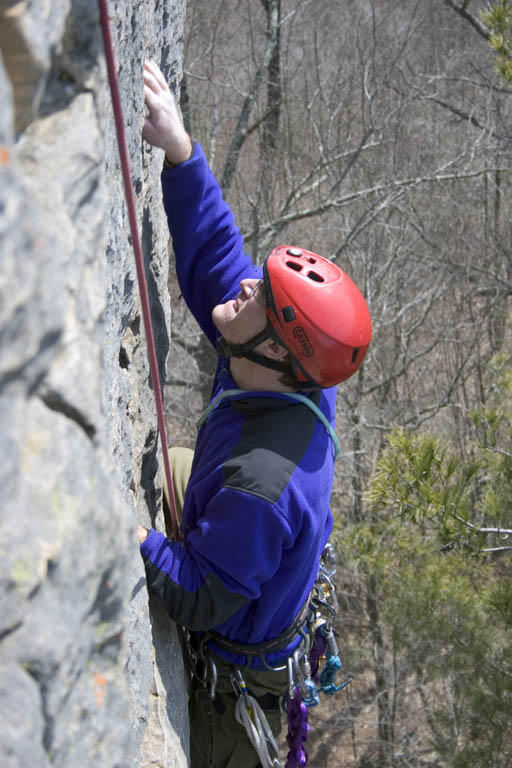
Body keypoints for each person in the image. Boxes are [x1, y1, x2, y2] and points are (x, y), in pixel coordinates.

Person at [137, 59, 372, 768]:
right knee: (173, 470)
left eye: (258, 300)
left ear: (275, 351)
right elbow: (216, 261)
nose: (242, 287)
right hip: (247, 550)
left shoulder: (262, 485)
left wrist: (124, 535)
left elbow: (202, 595)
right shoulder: (281, 366)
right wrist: (181, 154)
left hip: (240, 676)